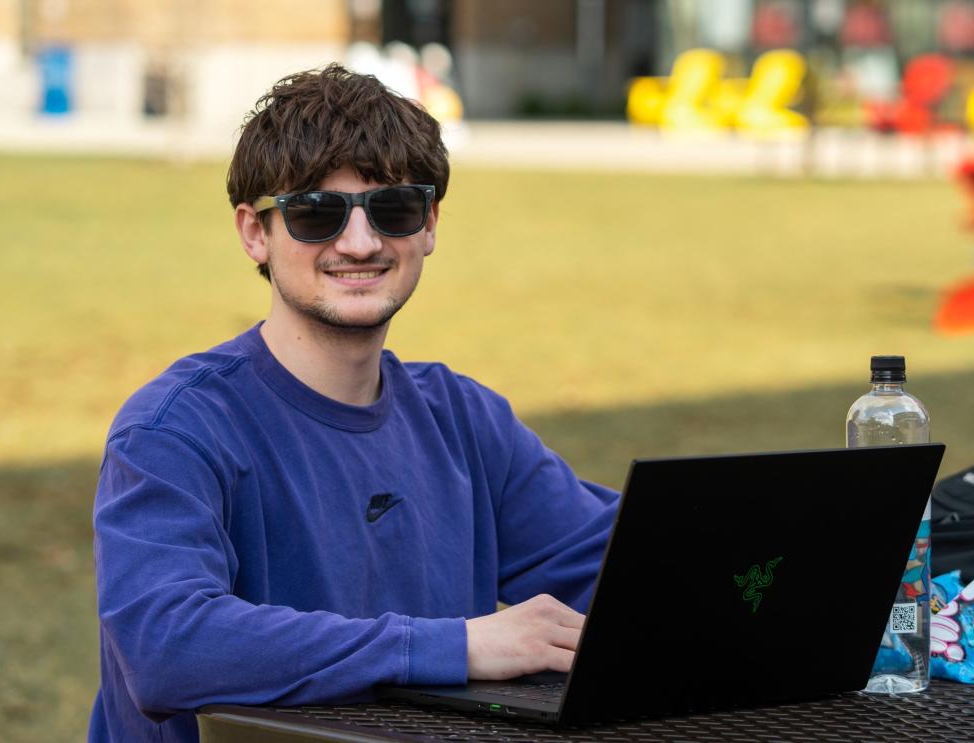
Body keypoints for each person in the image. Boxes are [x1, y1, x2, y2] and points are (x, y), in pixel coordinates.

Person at [88, 64, 620, 743]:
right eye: (316, 213)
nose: (360, 243)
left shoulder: (463, 419)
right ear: (255, 232)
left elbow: (635, 572)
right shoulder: (174, 429)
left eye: (392, 208)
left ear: (428, 224)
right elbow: (167, 646)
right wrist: (453, 647)